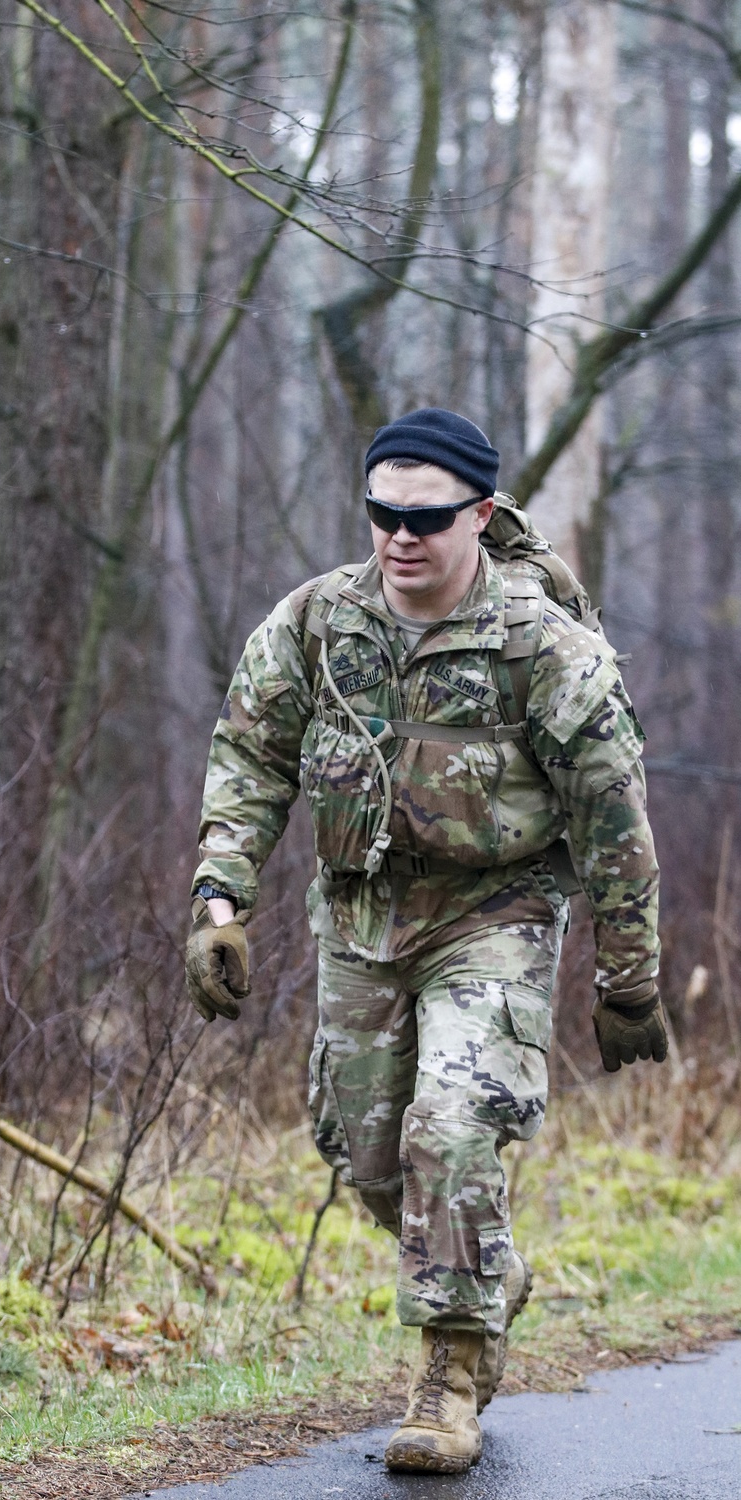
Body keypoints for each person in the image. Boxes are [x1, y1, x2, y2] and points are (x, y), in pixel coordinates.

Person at [184, 408, 665, 1474]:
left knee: (447, 1130)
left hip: (494, 916)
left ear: (479, 514)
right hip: (360, 917)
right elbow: (249, 756)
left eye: (428, 518)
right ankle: (487, 1269)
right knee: (360, 1152)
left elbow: (612, 817)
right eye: (381, 514)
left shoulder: (543, 648)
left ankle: (448, 1381)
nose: (401, 537)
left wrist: (630, 982)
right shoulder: (317, 624)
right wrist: (220, 902)